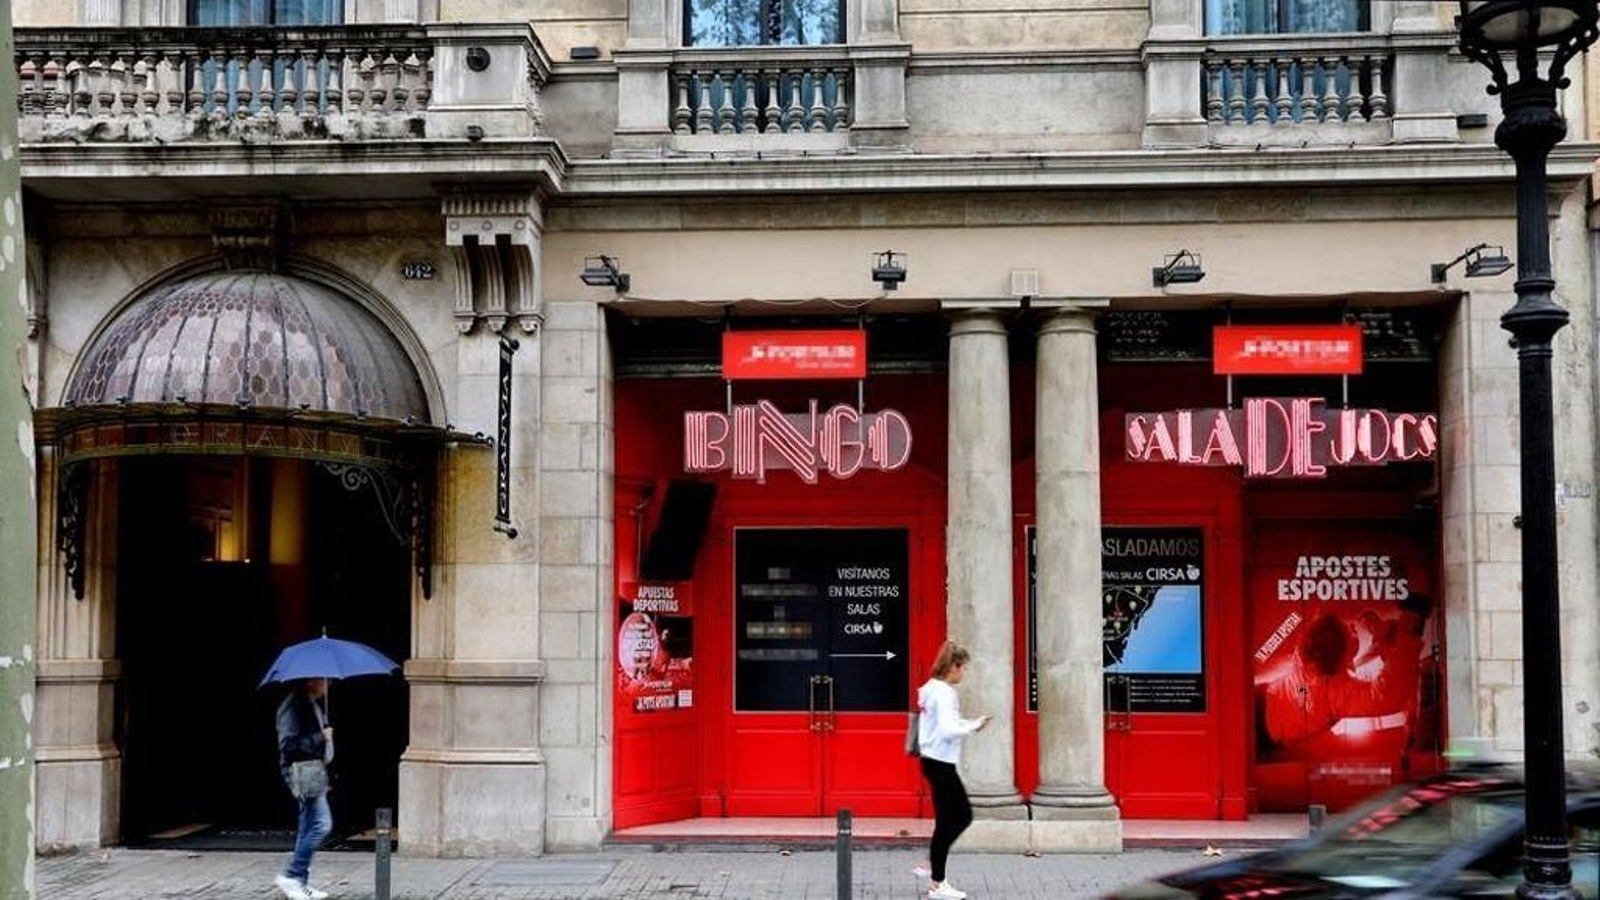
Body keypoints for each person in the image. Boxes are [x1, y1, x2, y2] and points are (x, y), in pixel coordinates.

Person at [914, 641, 990, 900]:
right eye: (963, 668)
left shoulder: (930, 689)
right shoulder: (945, 693)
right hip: (941, 762)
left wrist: (971, 723)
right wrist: (973, 727)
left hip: (931, 759)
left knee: (949, 818)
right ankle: (937, 881)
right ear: (953, 666)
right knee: (960, 817)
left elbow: (942, 724)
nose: (963, 673)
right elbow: (947, 730)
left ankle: (933, 863)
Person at [274, 678, 335, 900]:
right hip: (302, 773)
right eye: (324, 680)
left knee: (307, 826)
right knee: (321, 825)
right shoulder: (293, 706)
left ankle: (298, 883)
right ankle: (291, 875)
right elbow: (288, 746)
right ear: (311, 681)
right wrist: (321, 736)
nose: (328, 685)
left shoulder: (311, 704)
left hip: (314, 772)